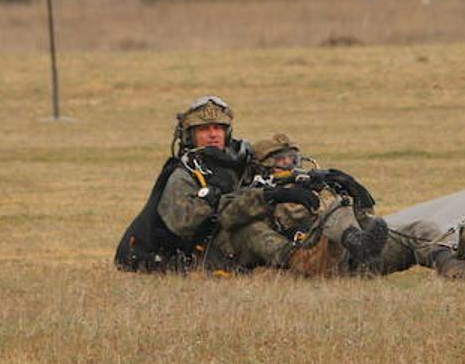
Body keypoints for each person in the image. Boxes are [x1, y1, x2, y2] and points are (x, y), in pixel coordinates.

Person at [115, 94, 282, 272]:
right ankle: (292, 260)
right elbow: (182, 225)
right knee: (252, 230)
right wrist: (212, 197)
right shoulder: (184, 174)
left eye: (218, 128)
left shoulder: (242, 162)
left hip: (238, 243)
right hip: (202, 253)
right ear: (190, 136)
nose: (213, 135)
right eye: (204, 129)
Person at [214, 133, 389, 275]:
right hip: (301, 252)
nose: (289, 165)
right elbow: (226, 215)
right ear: (261, 166)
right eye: (280, 160)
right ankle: (357, 249)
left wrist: (358, 194)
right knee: (338, 209)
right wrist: (275, 195)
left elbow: (362, 222)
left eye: (293, 159)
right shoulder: (251, 190)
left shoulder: (314, 187)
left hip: (338, 249)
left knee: (343, 206)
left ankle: (361, 251)